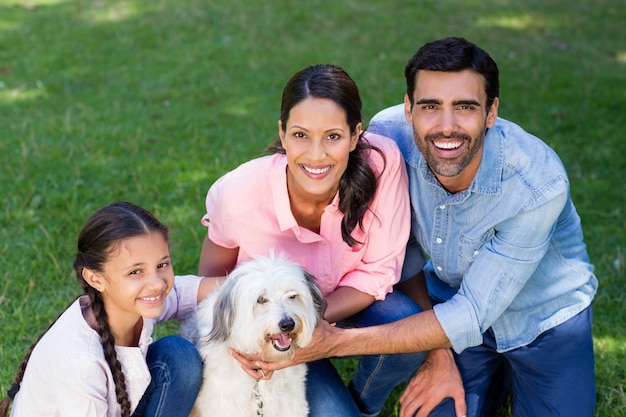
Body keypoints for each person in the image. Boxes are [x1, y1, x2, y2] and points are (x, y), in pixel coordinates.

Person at [239, 37, 598, 417]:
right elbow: (401, 251)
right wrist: (438, 354)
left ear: (492, 112)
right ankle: (485, 371)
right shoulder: (389, 140)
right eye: (430, 106)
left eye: (465, 107)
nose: (446, 127)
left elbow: (473, 314)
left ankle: (507, 372)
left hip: (542, 322)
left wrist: (336, 342)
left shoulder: (537, 184)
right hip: (450, 299)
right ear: (408, 108)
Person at [198, 63, 426, 417]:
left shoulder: (382, 166)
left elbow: (379, 272)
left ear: (355, 136)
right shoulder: (237, 193)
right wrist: (247, 334)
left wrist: (317, 327)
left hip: (344, 306)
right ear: (283, 133)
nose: (316, 155)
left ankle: (363, 402)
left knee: (405, 324)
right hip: (274, 325)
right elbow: (211, 287)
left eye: (333, 136)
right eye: (301, 135)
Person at [0, 201, 222, 417]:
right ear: (95, 278)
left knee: (177, 356)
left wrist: (248, 285)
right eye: (136, 272)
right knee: (177, 356)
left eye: (162, 265)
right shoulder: (80, 361)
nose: (157, 283)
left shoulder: (132, 302)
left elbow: (189, 292)